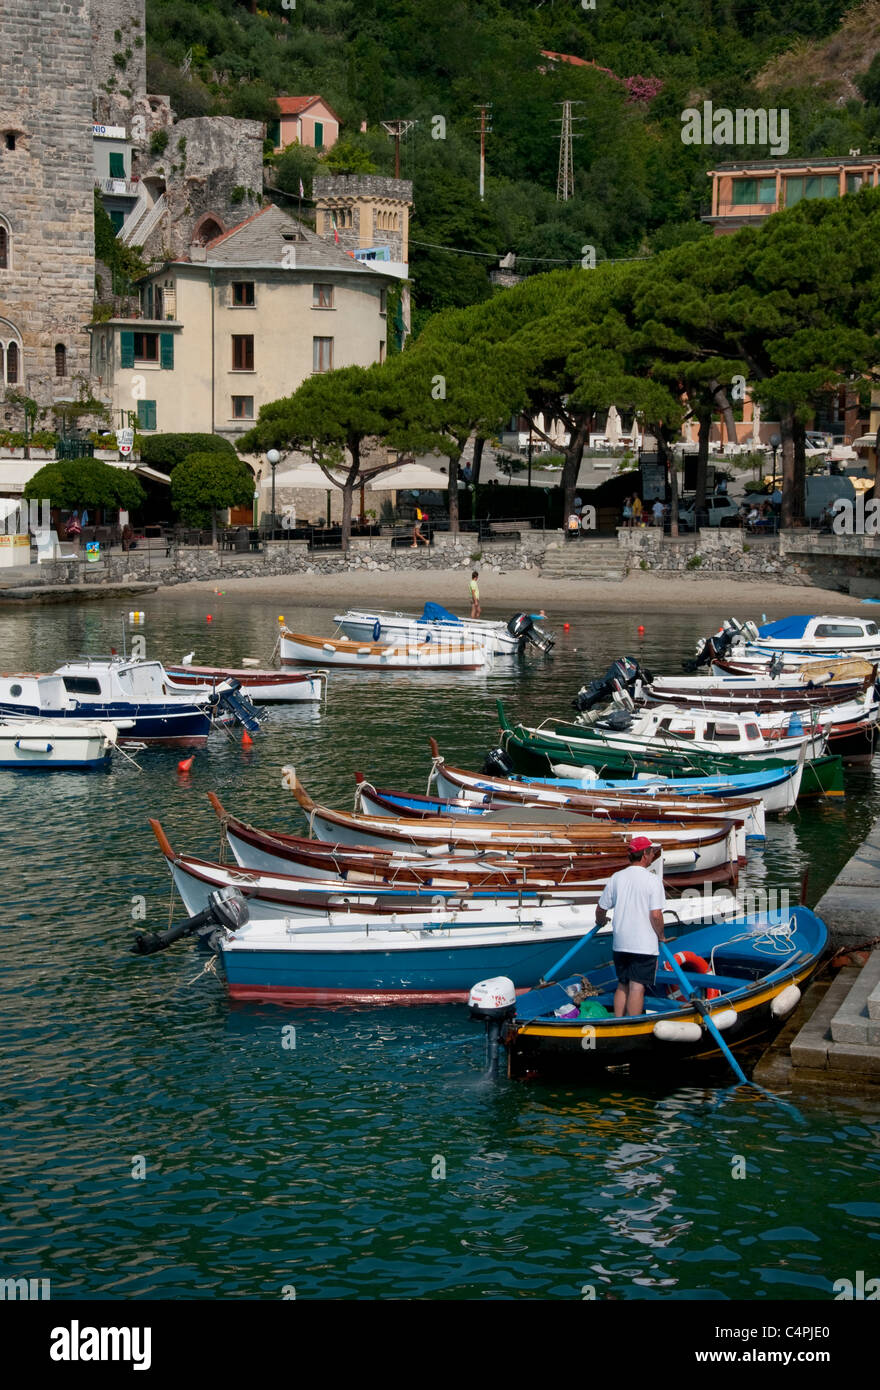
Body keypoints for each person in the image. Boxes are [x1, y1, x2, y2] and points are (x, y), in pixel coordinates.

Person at [595, 835, 666, 1018]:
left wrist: (600, 922)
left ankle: (618, 1022)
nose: (653, 856)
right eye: (652, 852)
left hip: (621, 942)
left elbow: (601, 908)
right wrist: (661, 936)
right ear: (645, 855)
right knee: (637, 987)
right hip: (643, 944)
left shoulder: (617, 877)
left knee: (622, 984)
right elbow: (656, 915)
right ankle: (632, 1024)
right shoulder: (653, 880)